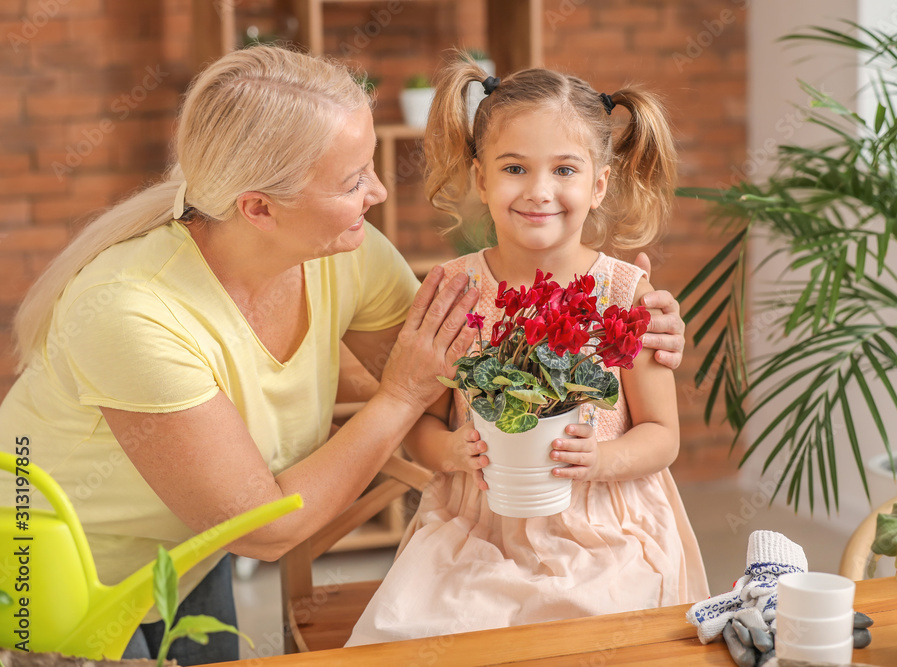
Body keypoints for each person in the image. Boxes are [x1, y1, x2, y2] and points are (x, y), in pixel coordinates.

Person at [0, 46, 687, 664]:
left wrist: (635, 334)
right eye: (353, 178)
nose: (380, 191)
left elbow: (470, 369)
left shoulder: (343, 254)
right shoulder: (131, 312)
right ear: (260, 208)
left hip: (188, 546)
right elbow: (269, 525)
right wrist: (398, 400)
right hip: (44, 568)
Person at [346, 57, 709, 646]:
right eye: (514, 167)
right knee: (412, 635)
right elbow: (424, 426)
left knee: (588, 643)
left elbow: (662, 435)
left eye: (564, 169)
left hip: (605, 530)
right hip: (475, 527)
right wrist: (450, 452)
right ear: (481, 179)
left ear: (598, 185)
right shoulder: (452, 290)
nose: (539, 191)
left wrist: (601, 460)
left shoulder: (625, 295)